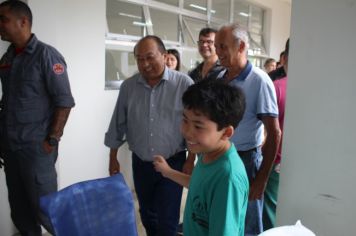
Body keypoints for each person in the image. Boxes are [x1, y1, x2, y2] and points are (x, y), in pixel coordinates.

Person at [104, 35, 194, 236]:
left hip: (173, 162)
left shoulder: (184, 84)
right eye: (139, 58)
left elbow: (194, 125)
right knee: (146, 214)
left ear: (164, 56)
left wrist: (191, 159)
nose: (144, 64)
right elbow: (118, 122)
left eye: (150, 57)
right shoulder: (129, 87)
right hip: (142, 163)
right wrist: (113, 158)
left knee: (167, 218)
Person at [0, 1, 75, 235]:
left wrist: (51, 140)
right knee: (20, 213)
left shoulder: (47, 55)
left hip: (36, 151)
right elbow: (8, 103)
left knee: (48, 212)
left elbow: (64, 102)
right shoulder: (7, 58)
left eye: (3, 19)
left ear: (23, 22)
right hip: (11, 150)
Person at [153, 79, 249, 236]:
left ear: (226, 133)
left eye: (198, 126)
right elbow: (199, 185)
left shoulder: (228, 178)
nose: (187, 132)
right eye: (185, 120)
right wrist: (168, 172)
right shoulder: (208, 154)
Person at [215, 23, 281, 235]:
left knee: (248, 223)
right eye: (217, 46)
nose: (218, 52)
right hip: (218, 158)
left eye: (223, 46)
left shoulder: (259, 81)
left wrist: (261, 179)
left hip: (246, 161)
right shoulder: (219, 78)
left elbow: (274, 133)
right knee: (224, 217)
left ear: (241, 46)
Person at [263, 38, 289, 231]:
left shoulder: (277, 86)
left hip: (277, 161)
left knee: (271, 210)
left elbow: (266, 131)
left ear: (285, 59)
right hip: (308, 163)